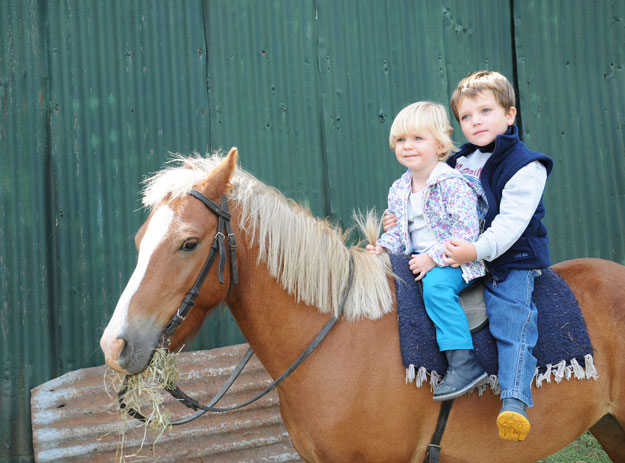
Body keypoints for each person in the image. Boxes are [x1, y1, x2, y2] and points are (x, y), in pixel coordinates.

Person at [383, 71, 553, 442]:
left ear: (510, 114)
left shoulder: (527, 166)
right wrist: (395, 224)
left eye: (485, 111)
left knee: (512, 320)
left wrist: (471, 250)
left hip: (511, 259)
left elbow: (508, 225)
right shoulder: (459, 160)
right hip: (460, 253)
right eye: (466, 116)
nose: (476, 121)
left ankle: (514, 399)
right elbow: (432, 211)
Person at [366, 101, 488, 402]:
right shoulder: (399, 188)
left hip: (456, 259)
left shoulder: (452, 184)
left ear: (440, 145)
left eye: (418, 138)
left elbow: (465, 232)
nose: (407, 146)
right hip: (417, 259)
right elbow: (398, 233)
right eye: (401, 140)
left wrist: (432, 258)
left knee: (436, 289)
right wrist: (382, 246)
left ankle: (463, 362)